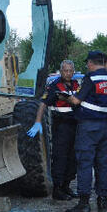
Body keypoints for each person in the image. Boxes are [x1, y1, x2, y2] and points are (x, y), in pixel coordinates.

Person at [59, 51, 107, 212]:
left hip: (89, 127)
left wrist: (65, 98)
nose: (87, 66)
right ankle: (102, 200)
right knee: (102, 163)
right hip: (106, 126)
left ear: (91, 63)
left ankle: (84, 203)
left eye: (87, 63)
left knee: (85, 163)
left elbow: (76, 100)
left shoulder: (90, 78)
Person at [34, 59, 79, 200]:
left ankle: (66, 186)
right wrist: (38, 121)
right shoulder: (55, 86)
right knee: (60, 157)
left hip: (75, 125)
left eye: (70, 71)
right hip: (61, 126)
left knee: (72, 158)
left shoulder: (76, 84)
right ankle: (57, 190)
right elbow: (43, 103)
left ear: (73, 72)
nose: (68, 73)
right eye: (65, 70)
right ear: (61, 71)